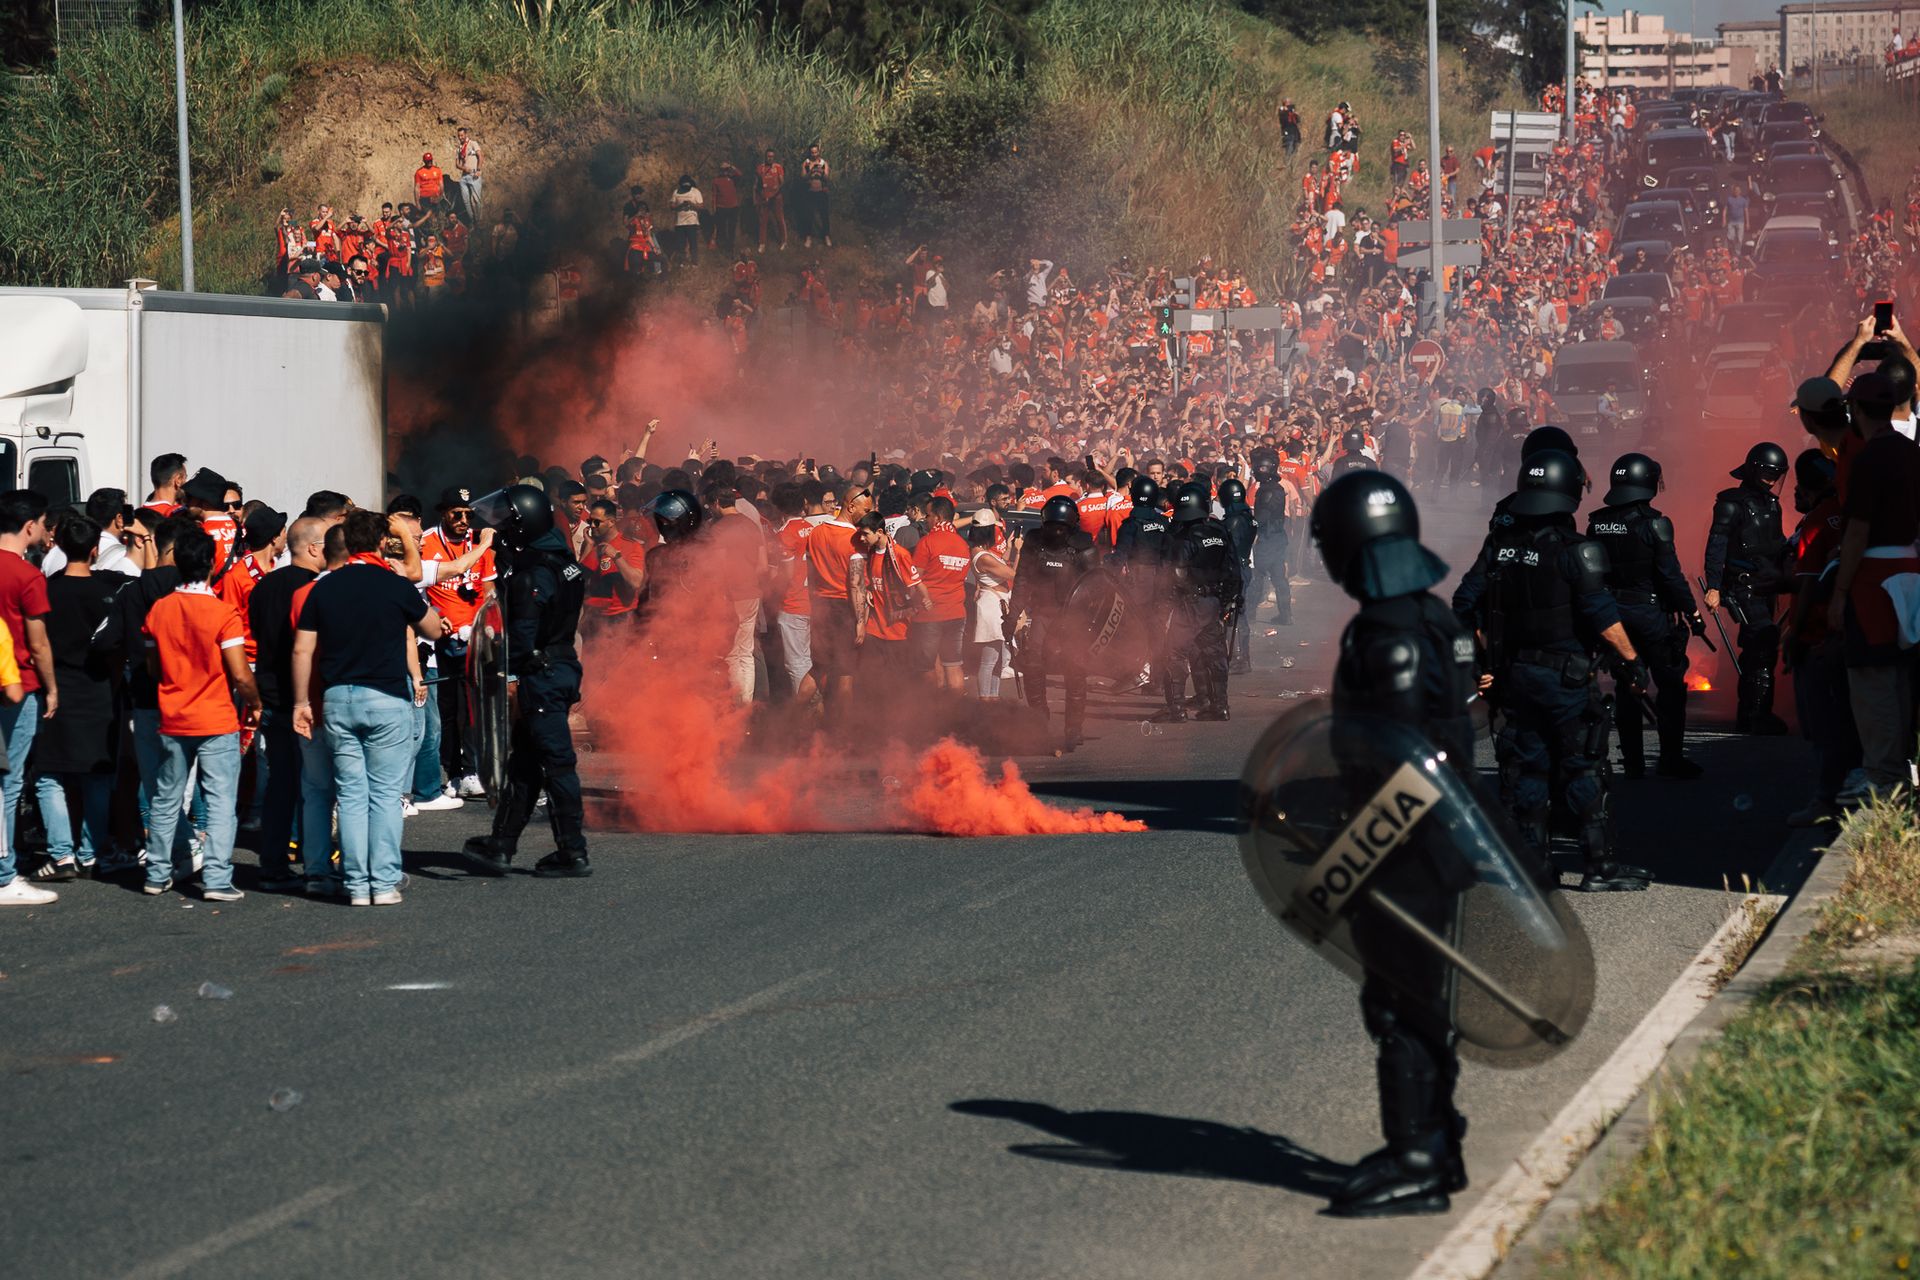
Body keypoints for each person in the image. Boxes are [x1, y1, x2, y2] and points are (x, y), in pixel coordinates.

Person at [1311, 469, 1484, 1218]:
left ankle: (1415, 1155)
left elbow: (1400, 747)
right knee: (1422, 998)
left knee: (1400, 1003)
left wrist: (1358, 839)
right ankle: (1438, 1139)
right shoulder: (1433, 615)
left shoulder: (1388, 632)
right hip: (1438, 837)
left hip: (1404, 841)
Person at [1453, 450, 1651, 892]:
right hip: (1565, 680)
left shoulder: (1500, 549)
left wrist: (1477, 666)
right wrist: (1633, 663)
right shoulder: (1577, 552)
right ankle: (1599, 867)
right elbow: (1602, 615)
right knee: (1584, 768)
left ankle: (1535, 866)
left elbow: (1463, 606)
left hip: (1515, 678)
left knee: (1530, 769)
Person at [292, 510, 446, 906]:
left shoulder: (323, 587)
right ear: (380, 543)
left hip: (338, 698)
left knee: (352, 794)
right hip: (386, 698)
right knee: (384, 793)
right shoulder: (393, 585)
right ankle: (383, 880)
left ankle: (357, 883)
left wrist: (300, 702)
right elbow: (432, 629)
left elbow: (303, 648)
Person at [456, 487, 592, 879]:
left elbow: (525, 633)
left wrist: (507, 674)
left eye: (505, 520)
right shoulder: (561, 559)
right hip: (559, 666)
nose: (498, 527)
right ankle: (501, 846)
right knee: (526, 764)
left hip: (542, 674)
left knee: (557, 764)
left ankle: (573, 852)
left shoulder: (533, 571)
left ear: (522, 522)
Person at [140, 523, 260, 900]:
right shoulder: (223, 613)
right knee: (222, 800)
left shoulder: (159, 609)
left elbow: (152, 666)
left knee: (166, 797)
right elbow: (240, 673)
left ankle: (157, 873)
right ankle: (217, 879)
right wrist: (255, 702)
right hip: (216, 717)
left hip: (173, 715)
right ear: (211, 564)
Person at [1826, 370, 1920, 800]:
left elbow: (1858, 532)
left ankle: (1884, 774)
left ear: (1856, 409)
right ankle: (1898, 765)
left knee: (1872, 680)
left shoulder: (1869, 459)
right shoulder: (1911, 451)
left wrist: (1840, 592)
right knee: (1900, 677)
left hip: (1873, 579)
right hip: (1909, 569)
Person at [1585, 453, 1705, 779]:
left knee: (1629, 685)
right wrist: (1692, 612)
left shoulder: (1597, 522)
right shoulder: (1655, 523)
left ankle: (1634, 765)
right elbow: (1670, 575)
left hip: (1614, 616)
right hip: (1650, 614)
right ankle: (1670, 759)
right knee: (1669, 686)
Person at [26, 515, 126, 883]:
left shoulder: (46, 588)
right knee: (96, 775)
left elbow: (38, 644)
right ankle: (92, 851)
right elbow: (115, 649)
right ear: (96, 549)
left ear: (59, 545)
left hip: (55, 689)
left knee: (49, 773)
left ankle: (61, 853)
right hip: (98, 688)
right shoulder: (108, 593)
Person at [249, 515, 326, 890]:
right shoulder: (316, 589)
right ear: (313, 548)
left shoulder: (263, 588)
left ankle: (274, 861)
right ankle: (317, 861)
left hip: (271, 694)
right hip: (305, 699)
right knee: (315, 785)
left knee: (282, 783)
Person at [1702, 442, 1791, 734]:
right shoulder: (1731, 503)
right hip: (1743, 587)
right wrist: (1713, 586)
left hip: (1768, 586)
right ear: (1753, 469)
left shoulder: (1772, 503)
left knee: (1760, 648)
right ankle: (1756, 715)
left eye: (1777, 473)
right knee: (1762, 645)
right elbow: (1716, 544)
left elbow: (1775, 544)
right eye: (1767, 471)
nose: (1772, 478)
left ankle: (1751, 713)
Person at [1009, 495, 1096, 751]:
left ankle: (1073, 729)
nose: (1056, 532)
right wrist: (1013, 615)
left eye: (1062, 527)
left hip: (1074, 617)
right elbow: (1022, 580)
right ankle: (1038, 722)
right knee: (1032, 664)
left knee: (1076, 670)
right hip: (1044, 614)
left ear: (1071, 526)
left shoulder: (1083, 546)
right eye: (1052, 526)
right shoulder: (1034, 543)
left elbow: (1096, 586)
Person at [0, 491, 57, 877]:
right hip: (19, 683)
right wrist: (52, 687)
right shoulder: (28, 575)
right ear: (29, 526)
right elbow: (38, 642)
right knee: (9, 778)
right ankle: (4, 868)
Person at [1157, 481, 1241, 723]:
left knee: (1175, 654)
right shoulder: (1220, 532)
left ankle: (1177, 710)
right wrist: (1226, 602)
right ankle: (1220, 707)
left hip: (1189, 604)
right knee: (1215, 655)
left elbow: (1175, 576)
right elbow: (1233, 571)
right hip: (1213, 602)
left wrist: (1166, 606)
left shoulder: (1183, 539)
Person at [965, 508, 1017, 700]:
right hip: (991, 607)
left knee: (999, 659)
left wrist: (1012, 549)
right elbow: (1012, 574)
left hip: (996, 605)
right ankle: (985, 700)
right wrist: (1018, 555)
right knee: (990, 660)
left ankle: (993, 698)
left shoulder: (984, 553)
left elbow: (1003, 565)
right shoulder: (984, 556)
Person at [1218, 477, 1257, 674]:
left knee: (1234, 613)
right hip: (1244, 566)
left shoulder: (1233, 521)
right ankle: (1241, 657)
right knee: (1238, 612)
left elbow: (1229, 549)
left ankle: (1239, 659)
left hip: (1235, 569)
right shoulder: (1247, 516)